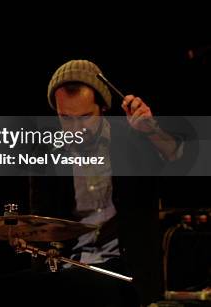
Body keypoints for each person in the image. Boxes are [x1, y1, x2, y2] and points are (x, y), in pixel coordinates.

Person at [24, 59, 186, 306]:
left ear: (103, 107)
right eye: (66, 118)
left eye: (86, 117)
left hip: (126, 271)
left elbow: (181, 165)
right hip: (71, 266)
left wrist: (151, 130)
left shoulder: (134, 140)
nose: (76, 129)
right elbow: (40, 224)